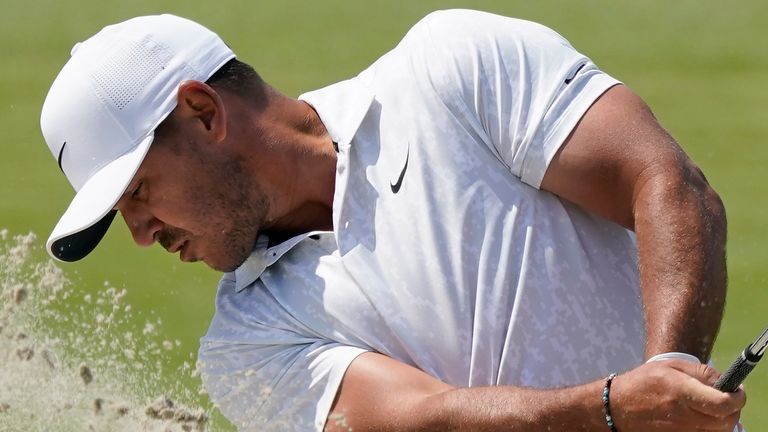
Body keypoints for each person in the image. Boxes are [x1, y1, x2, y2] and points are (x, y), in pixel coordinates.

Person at [39, 9, 745, 432]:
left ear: (203, 111)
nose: (139, 234)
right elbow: (419, 421)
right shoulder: (244, 346)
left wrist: (670, 373)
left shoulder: (451, 67)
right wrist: (620, 409)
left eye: (137, 193)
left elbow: (659, 179)